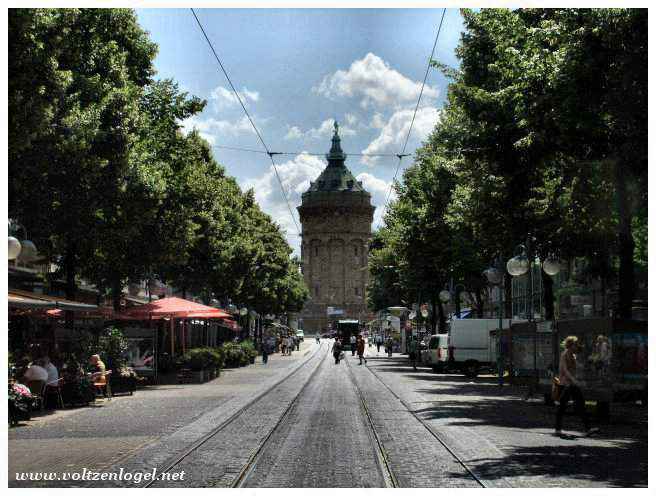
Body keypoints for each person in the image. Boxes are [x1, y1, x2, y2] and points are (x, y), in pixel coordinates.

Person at [555, 336, 599, 437]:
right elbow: (564, 370)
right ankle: (557, 429)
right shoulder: (564, 354)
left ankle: (588, 428)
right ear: (570, 345)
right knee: (562, 407)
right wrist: (574, 380)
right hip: (565, 384)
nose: (577, 346)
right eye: (575, 344)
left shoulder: (573, 355)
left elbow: (576, 368)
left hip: (572, 384)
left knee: (581, 405)